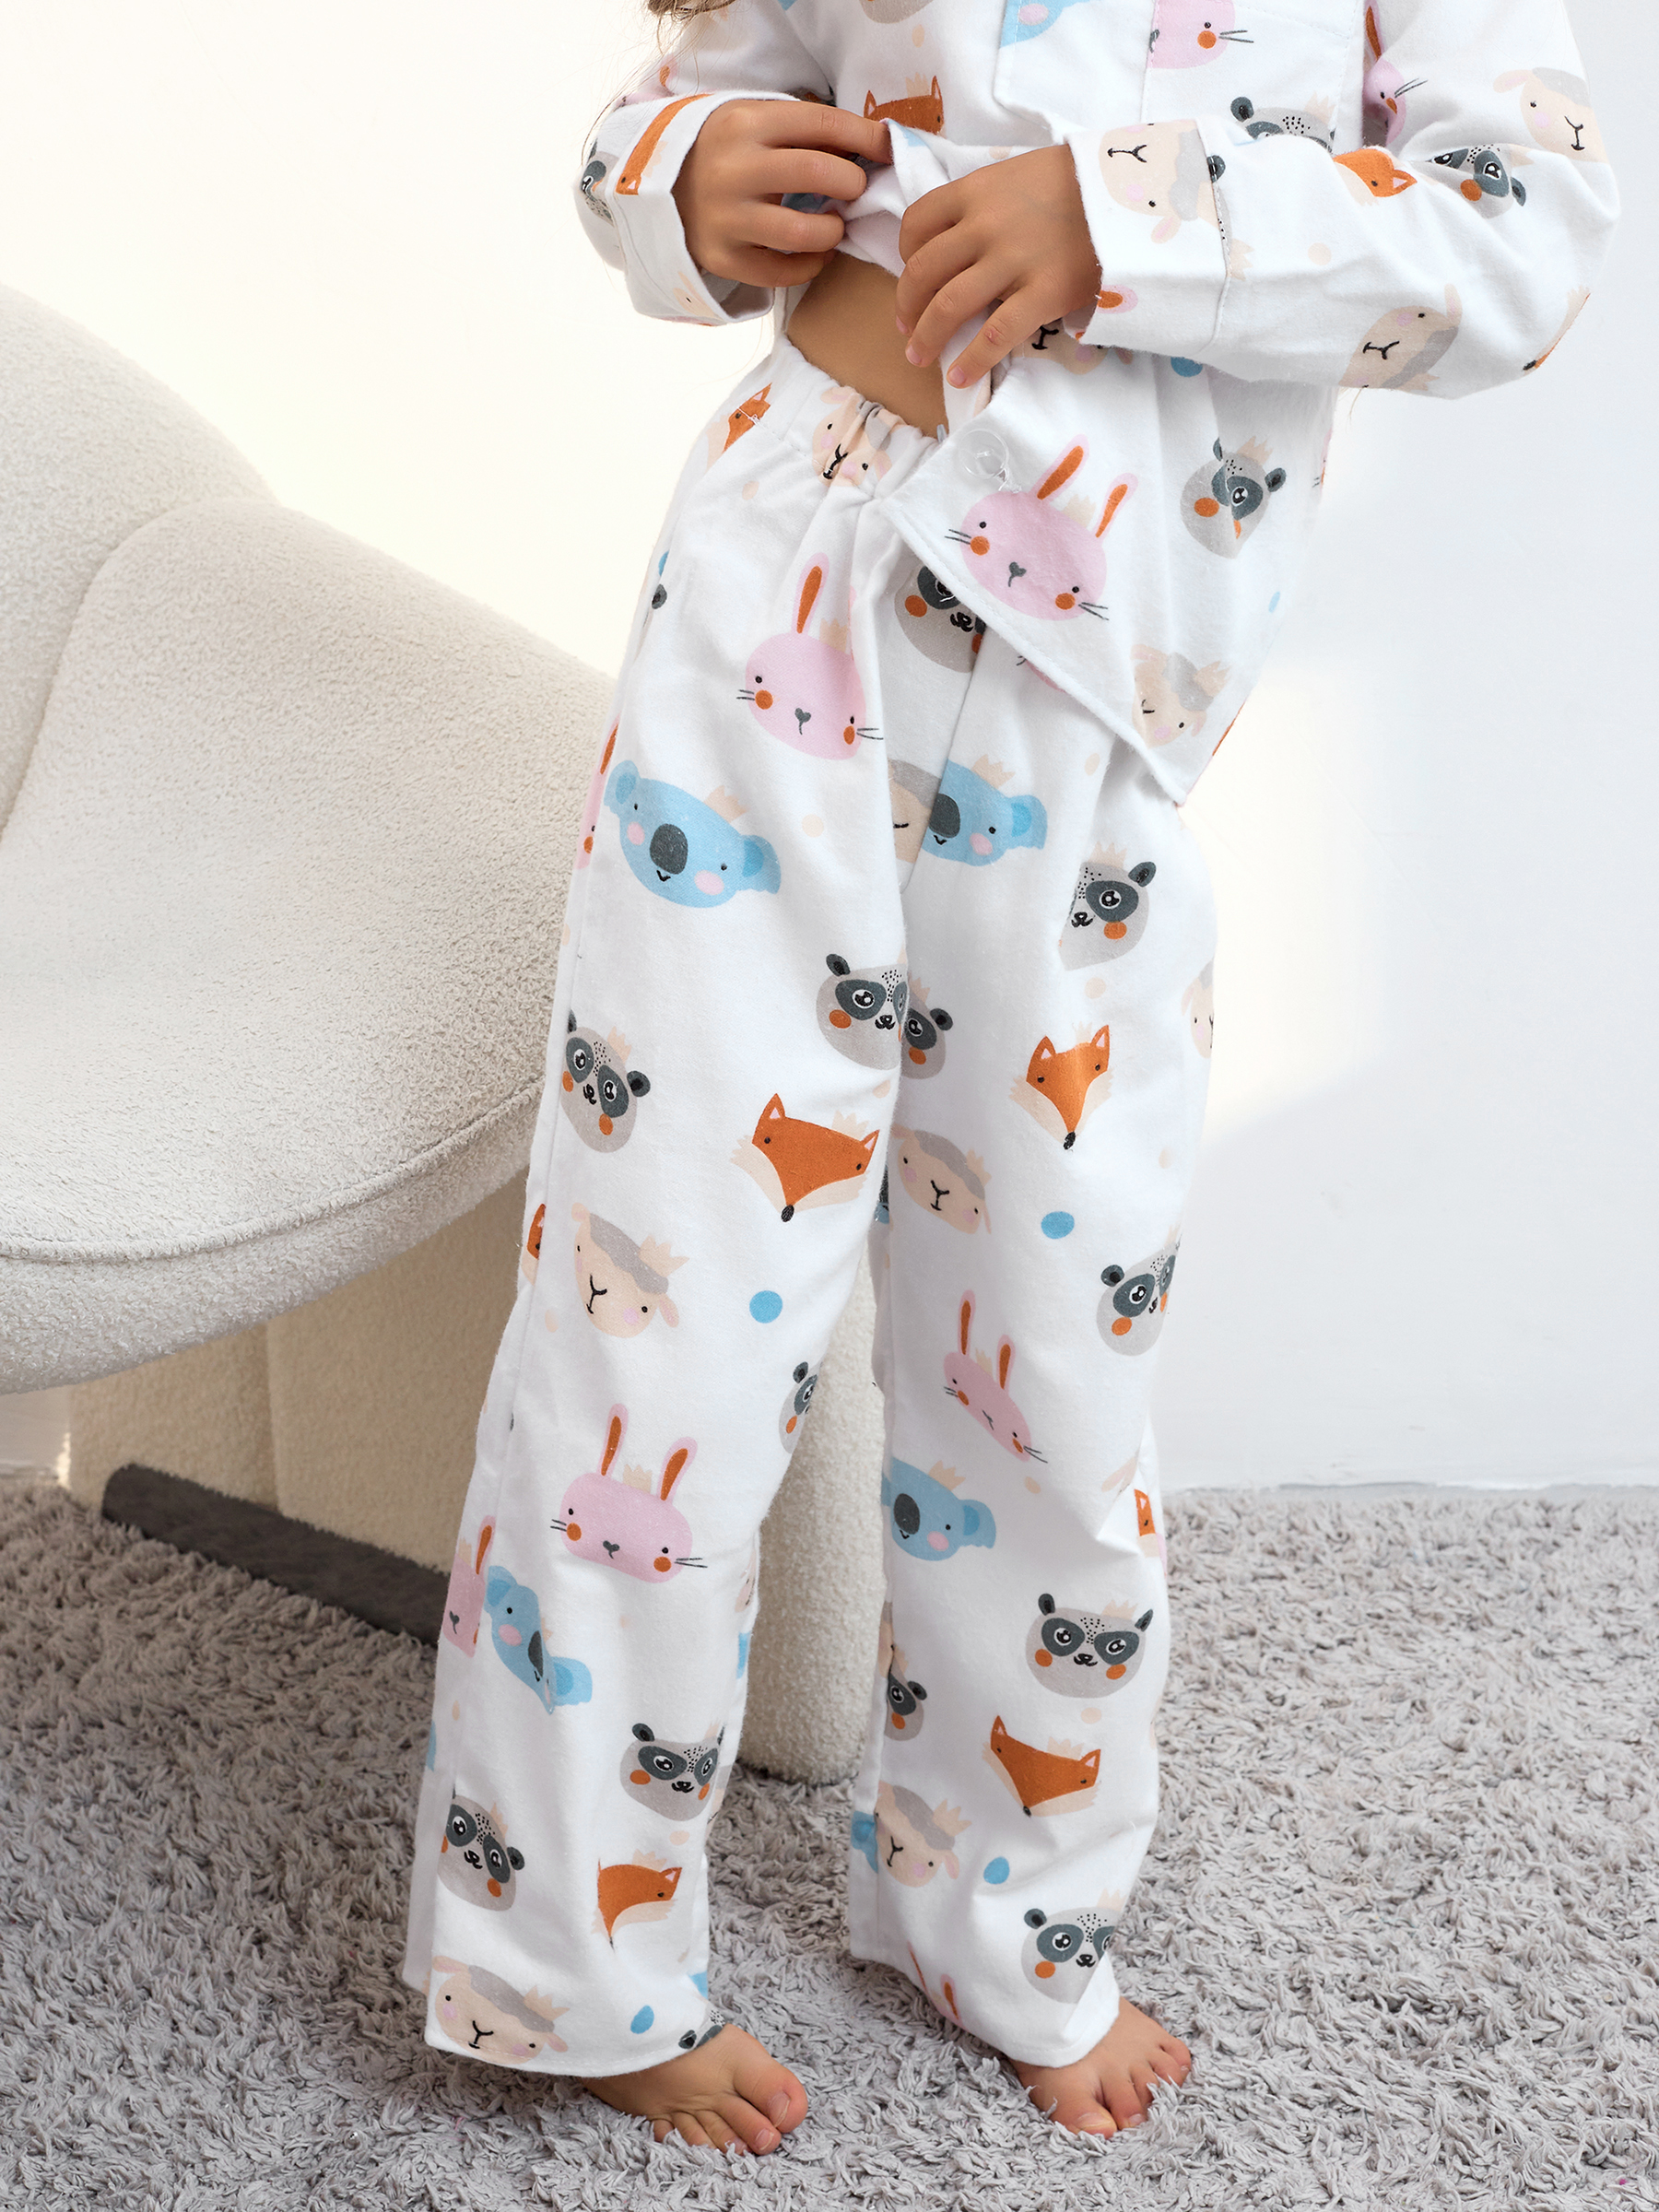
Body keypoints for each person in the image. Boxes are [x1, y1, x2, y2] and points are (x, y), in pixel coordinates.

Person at [404, 0, 1616, 2153]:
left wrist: (1119, 219)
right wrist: (681, 178)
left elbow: (1520, 234)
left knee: (1047, 1357)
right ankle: (568, 1962)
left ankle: (1004, 1923)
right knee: (654, 1317)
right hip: (780, 605)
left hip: (1094, 702)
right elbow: (679, 102)